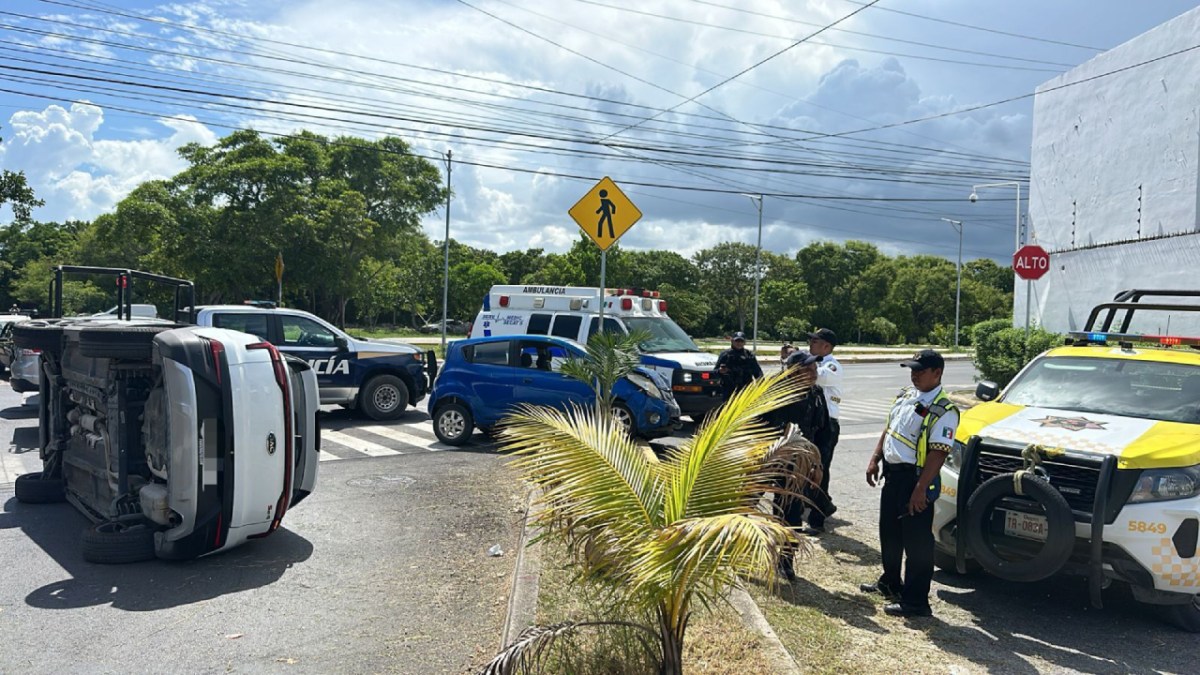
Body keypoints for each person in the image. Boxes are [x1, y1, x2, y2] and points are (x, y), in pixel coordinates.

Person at [860, 349, 959, 618]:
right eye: (912, 369)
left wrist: (920, 490)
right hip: (893, 475)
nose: (914, 374)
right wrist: (875, 457)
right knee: (889, 533)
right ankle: (890, 582)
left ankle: (916, 602)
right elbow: (889, 428)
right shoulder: (906, 395)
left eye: (920, 370)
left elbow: (938, 453)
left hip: (916, 479)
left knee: (917, 543)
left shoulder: (944, 410)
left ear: (937, 373)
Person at [766, 350, 835, 550]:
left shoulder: (816, 393)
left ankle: (786, 558)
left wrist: (818, 465)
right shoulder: (776, 393)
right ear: (793, 372)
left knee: (792, 511)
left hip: (799, 465)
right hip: (770, 459)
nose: (814, 373)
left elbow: (823, 434)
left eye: (814, 368)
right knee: (749, 504)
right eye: (808, 369)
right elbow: (758, 427)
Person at [805, 328, 843, 531]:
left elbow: (815, 376)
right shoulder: (815, 361)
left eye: (815, 341)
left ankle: (818, 519)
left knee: (821, 469)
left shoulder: (832, 366)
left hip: (827, 425)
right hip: (813, 423)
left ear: (826, 346)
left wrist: (800, 359)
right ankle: (823, 504)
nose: (810, 344)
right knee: (807, 468)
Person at [716, 331, 762, 400]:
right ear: (732, 341)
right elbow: (715, 371)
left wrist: (761, 385)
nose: (739, 343)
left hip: (745, 390)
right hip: (729, 391)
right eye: (737, 341)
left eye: (741, 341)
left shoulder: (749, 355)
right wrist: (720, 371)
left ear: (744, 342)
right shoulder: (725, 355)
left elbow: (757, 372)